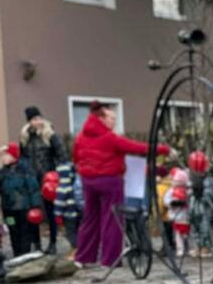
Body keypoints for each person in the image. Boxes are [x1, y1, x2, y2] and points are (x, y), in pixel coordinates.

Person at [72, 103, 168, 268]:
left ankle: (83, 257)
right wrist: (163, 149)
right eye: (111, 118)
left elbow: (76, 158)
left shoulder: (81, 137)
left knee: (90, 219)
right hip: (110, 181)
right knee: (112, 220)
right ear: (101, 119)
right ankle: (110, 259)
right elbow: (137, 147)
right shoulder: (110, 138)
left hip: (88, 181)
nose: (114, 121)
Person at [19, 107, 68, 252]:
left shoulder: (51, 135)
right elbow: (22, 158)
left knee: (51, 211)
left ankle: (53, 242)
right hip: (31, 179)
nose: (38, 121)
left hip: (48, 179)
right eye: (35, 119)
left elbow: (62, 156)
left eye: (40, 118)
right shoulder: (25, 137)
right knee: (33, 211)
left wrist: (57, 174)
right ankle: (37, 244)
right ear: (29, 121)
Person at [0, 144, 40, 257]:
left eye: (5, 155)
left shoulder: (26, 170)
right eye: (2, 156)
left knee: (25, 230)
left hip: (24, 207)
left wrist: (35, 205)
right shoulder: (1, 173)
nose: (3, 158)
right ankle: (16, 252)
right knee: (13, 229)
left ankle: (24, 252)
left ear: (13, 156)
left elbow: (33, 188)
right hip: (8, 208)